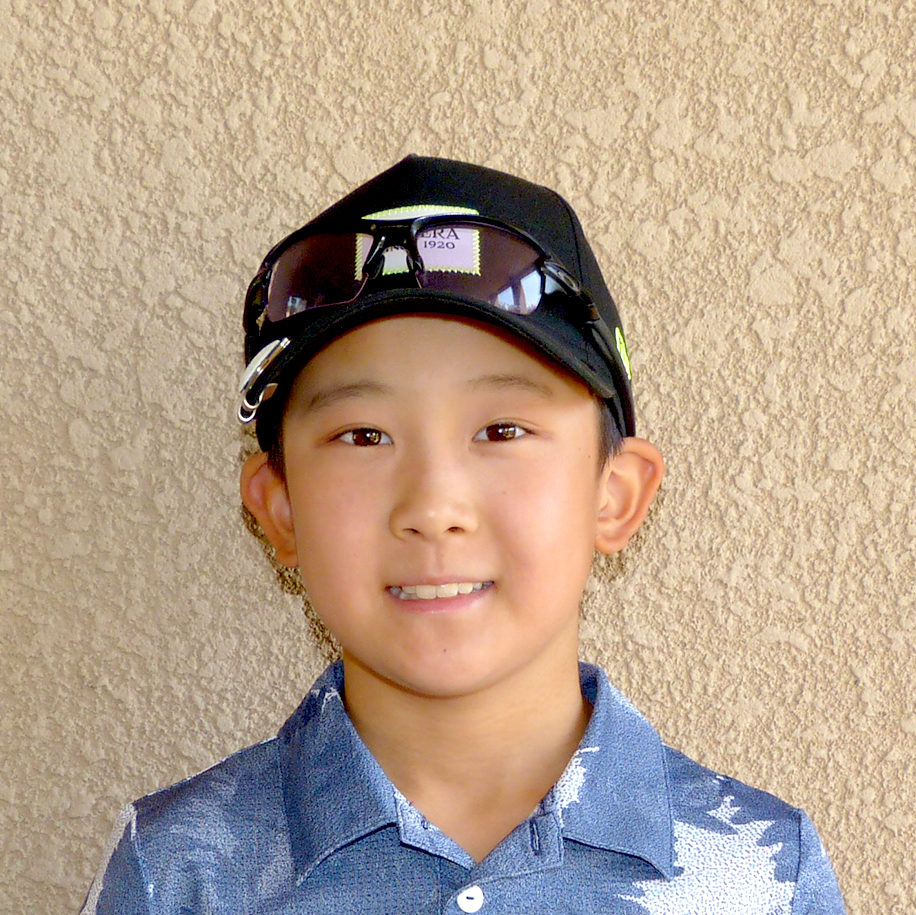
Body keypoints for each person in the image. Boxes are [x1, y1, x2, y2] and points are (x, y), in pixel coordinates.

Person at [81, 155, 846, 914]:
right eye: (363, 435)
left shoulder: (763, 877)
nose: (433, 504)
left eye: (502, 429)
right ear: (279, 509)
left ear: (614, 495)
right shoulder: (176, 874)